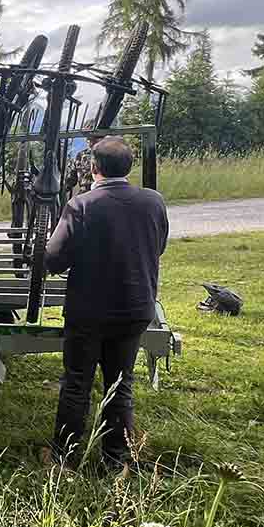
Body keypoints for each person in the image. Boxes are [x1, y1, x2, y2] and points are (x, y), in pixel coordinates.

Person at [43, 136, 168, 470]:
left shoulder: (81, 205)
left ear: (94, 168)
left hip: (88, 312)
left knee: (76, 385)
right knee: (120, 384)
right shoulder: (154, 202)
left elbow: (53, 260)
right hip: (135, 309)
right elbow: (159, 245)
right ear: (129, 167)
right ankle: (116, 461)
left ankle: (64, 460)